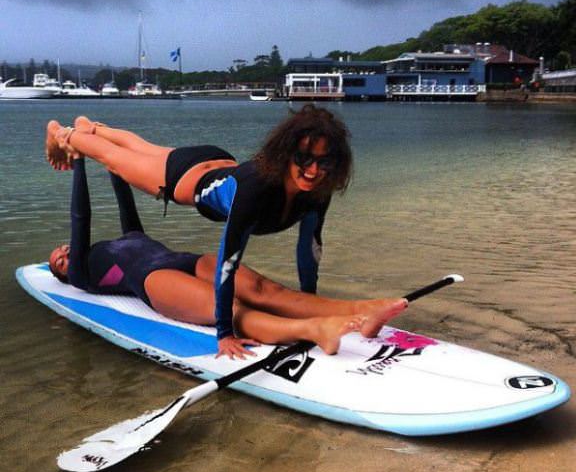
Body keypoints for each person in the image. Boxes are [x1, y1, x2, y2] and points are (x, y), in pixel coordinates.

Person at [46, 106, 407, 357]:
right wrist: (225, 334)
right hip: (180, 179)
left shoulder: (316, 192)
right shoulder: (256, 190)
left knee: (136, 152)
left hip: (208, 168)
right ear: (286, 154)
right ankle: (69, 133)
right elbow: (227, 264)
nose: (313, 170)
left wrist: (305, 302)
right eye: (304, 159)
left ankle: (365, 310)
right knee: (119, 153)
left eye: (323, 162)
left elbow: (308, 249)